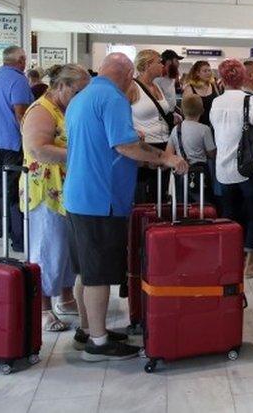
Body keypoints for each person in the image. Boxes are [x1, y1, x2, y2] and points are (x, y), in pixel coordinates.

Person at [64, 53, 187, 362]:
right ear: (127, 74)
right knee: (99, 275)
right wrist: (164, 158)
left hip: (78, 196)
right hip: (100, 199)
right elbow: (125, 146)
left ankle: (89, 330)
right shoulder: (113, 99)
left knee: (85, 271)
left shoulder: (81, 98)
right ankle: (99, 343)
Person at [20, 64, 90, 332]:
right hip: (45, 189)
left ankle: (66, 296)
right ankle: (43, 307)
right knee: (47, 248)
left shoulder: (64, 108)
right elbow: (37, 149)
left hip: (66, 187)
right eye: (78, 91)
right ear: (61, 86)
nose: (81, 97)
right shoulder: (41, 110)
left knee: (66, 247)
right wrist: (80, 152)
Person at [211, 59, 253, 279]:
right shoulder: (250, 101)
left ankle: (232, 261)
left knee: (231, 215)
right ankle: (251, 264)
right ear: (243, 76)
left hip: (224, 169)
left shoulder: (216, 103)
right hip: (250, 167)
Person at [0, 46, 33, 252]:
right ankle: (17, 237)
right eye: (24, 59)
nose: (25, 63)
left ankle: (3, 228)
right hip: (12, 141)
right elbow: (21, 114)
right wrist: (31, 139)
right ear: (19, 60)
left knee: (2, 184)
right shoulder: (18, 80)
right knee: (14, 190)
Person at [127, 50, 177, 203]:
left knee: (160, 194)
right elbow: (120, 114)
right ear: (148, 65)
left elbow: (161, 112)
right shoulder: (132, 87)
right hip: (145, 146)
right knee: (144, 195)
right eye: (159, 62)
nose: (163, 65)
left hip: (164, 144)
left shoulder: (157, 86)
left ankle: (158, 224)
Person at [165, 94, 216, 203]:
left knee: (183, 202)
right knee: (202, 201)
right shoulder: (205, 129)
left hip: (181, 171)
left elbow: (168, 153)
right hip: (200, 173)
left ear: (182, 110)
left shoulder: (176, 129)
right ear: (202, 110)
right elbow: (212, 153)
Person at [185, 60, 221, 127]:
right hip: (196, 126)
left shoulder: (213, 85)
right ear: (197, 73)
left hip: (212, 125)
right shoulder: (189, 88)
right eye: (205, 71)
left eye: (209, 70)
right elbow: (185, 111)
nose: (208, 73)